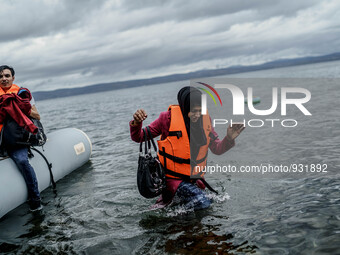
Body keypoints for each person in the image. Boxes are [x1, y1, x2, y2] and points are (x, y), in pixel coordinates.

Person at [130, 86, 245, 210]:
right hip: (172, 180)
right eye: (193, 111)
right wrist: (136, 123)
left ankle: (184, 224)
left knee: (212, 202)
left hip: (195, 180)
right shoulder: (166, 119)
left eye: (200, 110)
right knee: (204, 204)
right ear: (184, 106)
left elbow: (217, 148)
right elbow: (139, 137)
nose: (197, 115)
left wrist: (229, 138)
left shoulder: (205, 120)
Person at [0, 65, 42, 211]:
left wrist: (17, 106)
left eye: (7, 75)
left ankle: (35, 199)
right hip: (1, 141)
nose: (4, 79)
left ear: (13, 78)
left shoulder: (22, 94)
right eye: (1, 76)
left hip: (16, 141)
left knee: (22, 161)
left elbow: (37, 116)